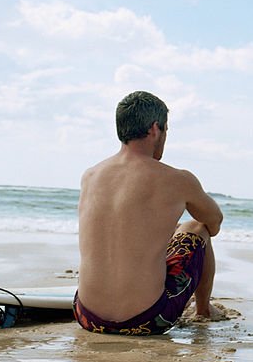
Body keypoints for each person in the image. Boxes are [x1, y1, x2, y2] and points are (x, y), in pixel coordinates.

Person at [74, 90, 223, 335]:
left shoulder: (91, 175)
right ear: (155, 129)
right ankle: (203, 310)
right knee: (197, 228)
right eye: (166, 131)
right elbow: (214, 223)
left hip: (87, 317)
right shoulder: (177, 179)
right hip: (147, 320)